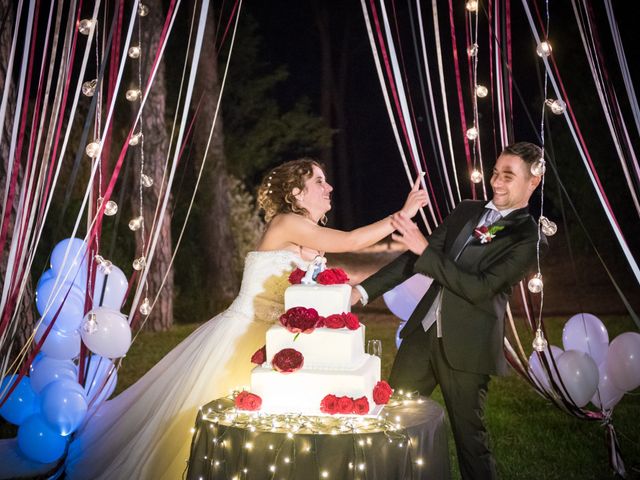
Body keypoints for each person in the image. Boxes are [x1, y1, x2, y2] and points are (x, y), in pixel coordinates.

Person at [54, 158, 428, 479]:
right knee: (208, 421)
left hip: (275, 341)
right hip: (241, 335)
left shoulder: (310, 238)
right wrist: (402, 216)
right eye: (318, 181)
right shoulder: (286, 223)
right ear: (296, 194)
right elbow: (350, 241)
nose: (328, 186)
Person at [351, 142, 547, 479]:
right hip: (421, 337)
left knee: (471, 442)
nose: (496, 182)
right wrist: (363, 290)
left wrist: (425, 250)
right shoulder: (466, 211)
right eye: (495, 173)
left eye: (508, 176)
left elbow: (479, 288)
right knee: (392, 423)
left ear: (534, 180)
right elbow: (415, 259)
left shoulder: (527, 237)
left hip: (467, 348)